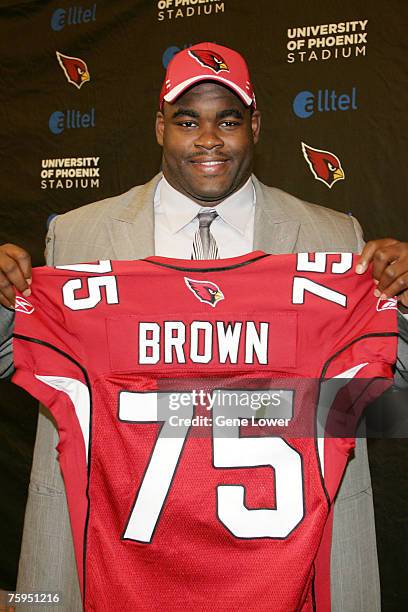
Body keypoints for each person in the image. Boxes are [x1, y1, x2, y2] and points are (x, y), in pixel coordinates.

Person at [0, 42, 407, 611]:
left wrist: (401, 307)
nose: (209, 139)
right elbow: (21, 362)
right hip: (113, 551)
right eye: (187, 120)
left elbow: (386, 408)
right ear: (159, 125)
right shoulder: (77, 236)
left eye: (229, 120)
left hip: (287, 553)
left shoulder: (334, 237)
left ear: (255, 126)